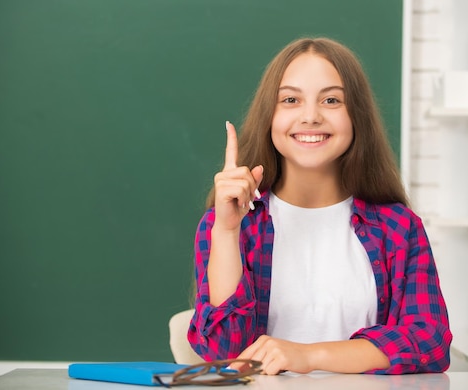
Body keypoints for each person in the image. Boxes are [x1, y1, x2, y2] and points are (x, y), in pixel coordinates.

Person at [187, 36, 452, 375]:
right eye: (290, 100)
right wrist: (225, 231)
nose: (310, 116)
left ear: (356, 116)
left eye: (331, 100)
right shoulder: (231, 225)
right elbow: (223, 352)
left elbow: (429, 341)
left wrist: (310, 356)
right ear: (269, 116)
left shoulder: (398, 227)